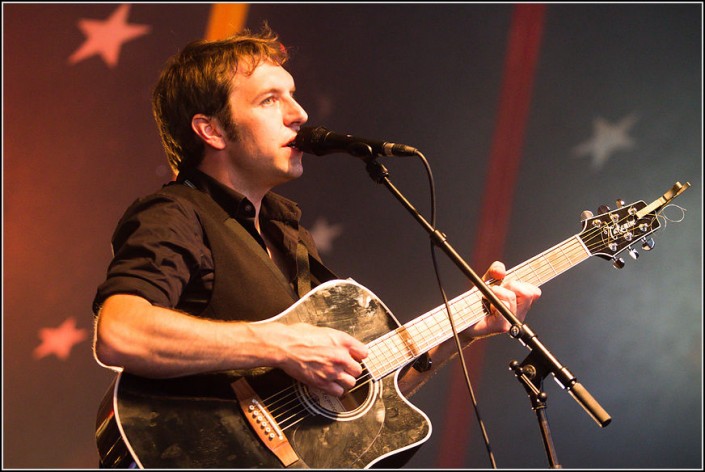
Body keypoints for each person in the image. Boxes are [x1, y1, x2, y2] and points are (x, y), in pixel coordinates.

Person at [92, 24, 542, 468]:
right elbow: (120, 333)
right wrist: (282, 345)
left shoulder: (289, 237)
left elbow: (351, 384)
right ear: (211, 131)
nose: (299, 113)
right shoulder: (175, 212)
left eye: (293, 95)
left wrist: (458, 333)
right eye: (271, 100)